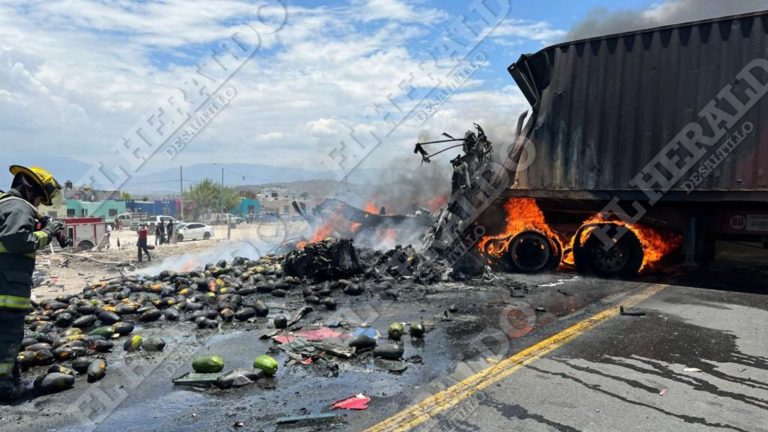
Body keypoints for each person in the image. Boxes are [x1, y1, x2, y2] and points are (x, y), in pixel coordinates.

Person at [0, 165, 63, 400]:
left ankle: (11, 376)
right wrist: (46, 232)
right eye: (38, 198)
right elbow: (17, 241)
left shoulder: (5, 205)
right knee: (8, 336)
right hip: (7, 290)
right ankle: (5, 389)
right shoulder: (18, 207)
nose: (38, 205)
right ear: (29, 188)